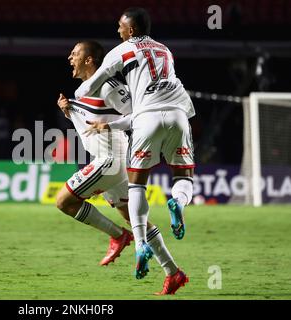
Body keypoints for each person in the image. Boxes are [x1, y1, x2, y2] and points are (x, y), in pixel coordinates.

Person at [76, 8, 193, 294]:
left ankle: (139, 244)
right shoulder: (165, 50)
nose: (117, 30)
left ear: (130, 30)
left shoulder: (121, 50)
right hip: (178, 115)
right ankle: (177, 203)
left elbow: (93, 83)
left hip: (141, 124)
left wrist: (78, 96)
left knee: (136, 187)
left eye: (120, 26)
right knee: (184, 177)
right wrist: (107, 124)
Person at [57, 41, 183, 296]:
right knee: (136, 218)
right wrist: (68, 111)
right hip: (112, 162)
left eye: (76, 53)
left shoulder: (109, 85)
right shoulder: (84, 91)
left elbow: (139, 115)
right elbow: (96, 120)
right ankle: (174, 273)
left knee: (64, 202)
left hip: (109, 160)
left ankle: (118, 236)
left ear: (90, 59)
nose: (70, 57)